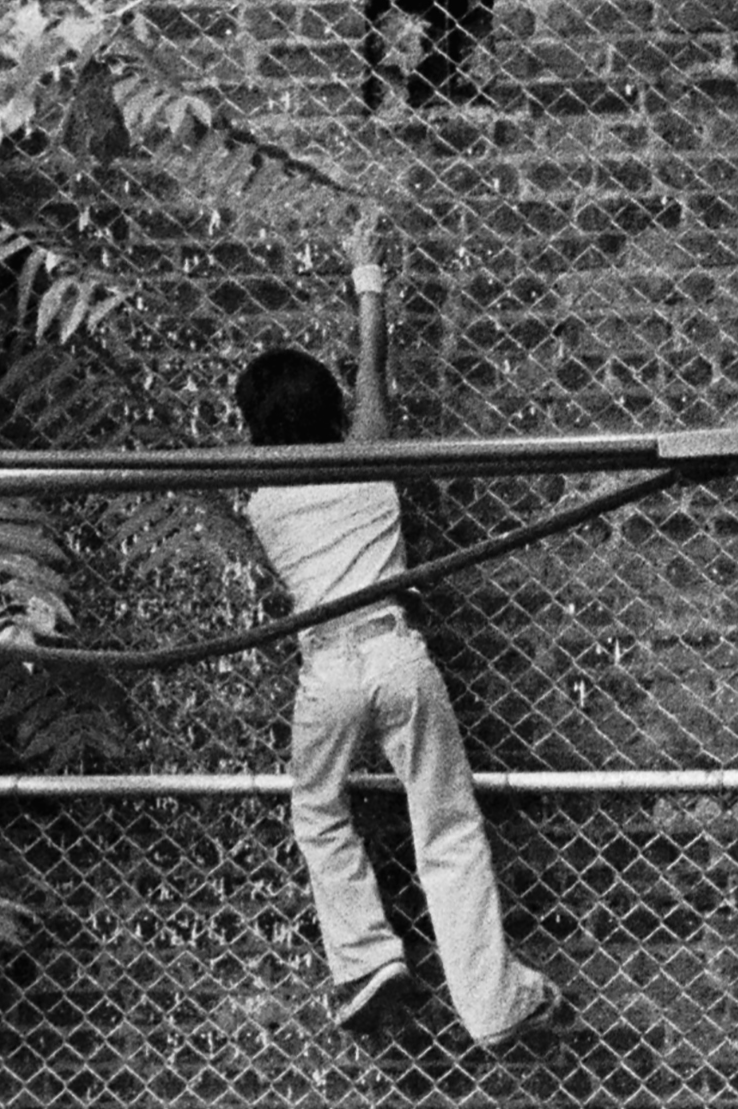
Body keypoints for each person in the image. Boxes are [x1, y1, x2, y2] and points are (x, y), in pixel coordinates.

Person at [237, 345, 556, 1052]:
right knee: (447, 822)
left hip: (327, 671)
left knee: (317, 813)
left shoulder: (261, 501)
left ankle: (368, 959)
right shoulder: (369, 467)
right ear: (334, 411)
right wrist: (368, 282)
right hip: (396, 653)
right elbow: (374, 373)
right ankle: (492, 1003)